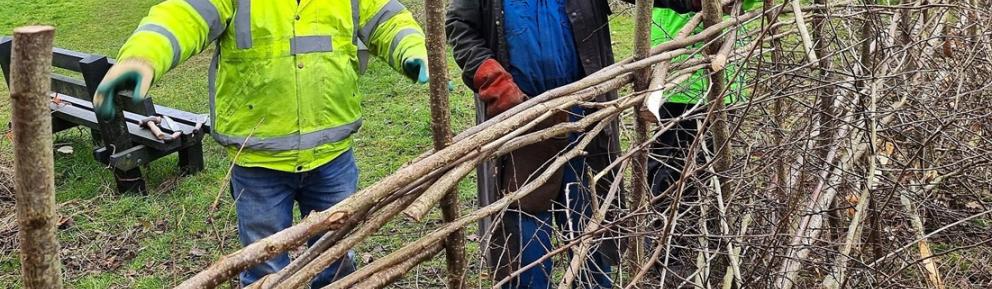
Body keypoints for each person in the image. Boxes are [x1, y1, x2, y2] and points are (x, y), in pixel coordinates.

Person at [92, 0, 429, 287]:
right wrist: (143, 56)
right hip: (258, 166)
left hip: (332, 157)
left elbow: (388, 19)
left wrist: (411, 50)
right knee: (265, 268)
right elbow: (183, 15)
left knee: (336, 259)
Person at [447, 0, 701, 288]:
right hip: (520, 120)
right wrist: (492, 80)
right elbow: (460, 26)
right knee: (524, 229)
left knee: (587, 223)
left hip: (584, 113)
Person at [644, 0, 759, 283]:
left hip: (723, 83)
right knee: (671, 175)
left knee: (716, 173)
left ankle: (711, 250)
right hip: (679, 82)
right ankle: (668, 257)